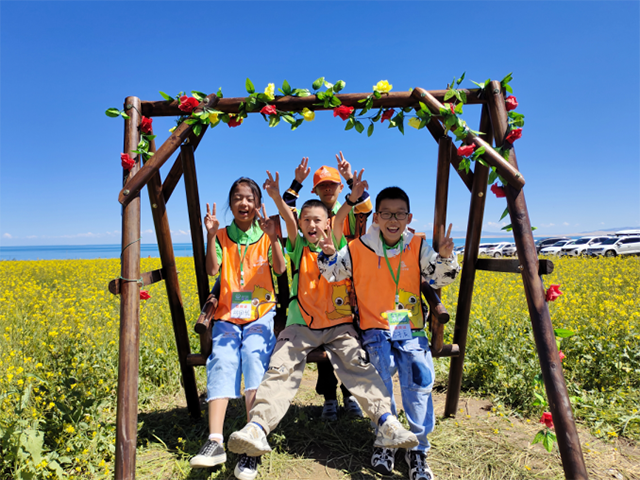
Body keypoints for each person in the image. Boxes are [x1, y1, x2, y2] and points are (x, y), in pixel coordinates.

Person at [227, 172, 419, 476]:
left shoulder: (339, 242)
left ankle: (386, 422)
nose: (313, 225)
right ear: (301, 225)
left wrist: (352, 199)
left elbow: (342, 215)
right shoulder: (298, 245)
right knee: (280, 369)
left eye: (318, 220)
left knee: (357, 364)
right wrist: (277, 196)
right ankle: (257, 427)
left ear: (328, 224)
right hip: (300, 324)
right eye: (307, 221)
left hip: (339, 325)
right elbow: (288, 223)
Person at [318, 186, 460, 480]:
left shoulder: (418, 245)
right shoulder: (359, 248)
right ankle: (386, 438)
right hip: (374, 330)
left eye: (399, 214)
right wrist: (328, 253)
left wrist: (445, 257)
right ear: (377, 217)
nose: (393, 220)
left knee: (419, 379)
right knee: (380, 377)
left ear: (409, 217)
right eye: (386, 213)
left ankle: (418, 449)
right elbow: (332, 273)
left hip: (411, 329)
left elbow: (440, 277)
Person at [189, 177, 286, 480]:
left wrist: (273, 238)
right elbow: (212, 270)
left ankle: (252, 440)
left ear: (258, 204)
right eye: (237, 198)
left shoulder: (266, 233)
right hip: (228, 315)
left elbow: (281, 269)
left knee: (255, 355)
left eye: (249, 198)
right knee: (223, 358)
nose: (244, 203)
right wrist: (209, 235)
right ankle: (215, 440)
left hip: (260, 314)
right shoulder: (220, 236)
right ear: (231, 204)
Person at [282, 153, 371, 421]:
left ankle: (350, 395)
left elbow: (364, 207)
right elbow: (288, 209)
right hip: (315, 295)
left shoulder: (348, 213)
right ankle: (329, 397)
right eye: (323, 186)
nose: (328, 189)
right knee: (324, 340)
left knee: (349, 344)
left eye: (332, 184)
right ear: (316, 191)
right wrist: (296, 182)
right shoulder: (312, 217)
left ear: (340, 188)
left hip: (348, 290)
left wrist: (350, 178)